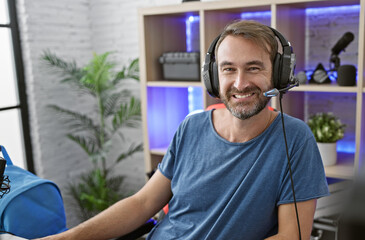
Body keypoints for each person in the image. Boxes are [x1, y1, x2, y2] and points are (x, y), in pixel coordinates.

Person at [38, 20, 329, 240]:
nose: (240, 83)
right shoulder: (192, 126)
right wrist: (66, 238)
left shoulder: (295, 139)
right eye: (229, 69)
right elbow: (143, 203)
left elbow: (293, 236)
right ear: (214, 77)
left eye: (254, 68)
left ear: (278, 74)